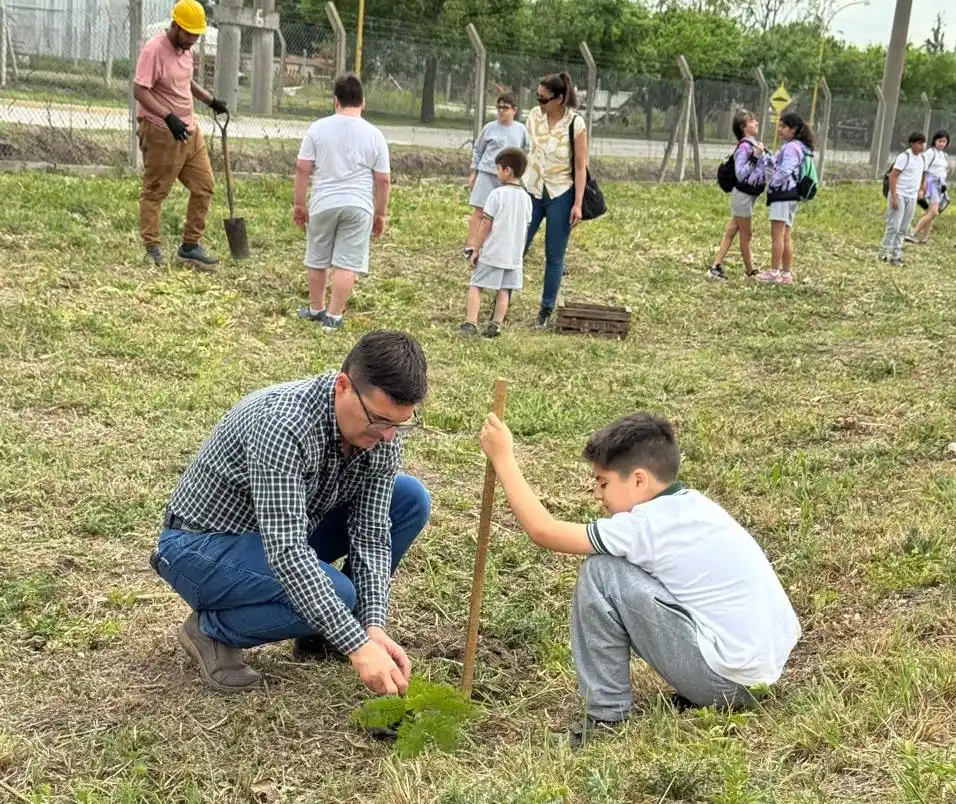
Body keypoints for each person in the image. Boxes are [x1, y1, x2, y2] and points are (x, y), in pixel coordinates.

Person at [479, 410, 801, 748]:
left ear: (638, 480)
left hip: (727, 682)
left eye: (603, 483)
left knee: (601, 571)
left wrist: (504, 458)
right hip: (760, 673)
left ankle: (605, 717)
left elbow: (543, 531)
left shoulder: (647, 525)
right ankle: (701, 685)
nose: (597, 495)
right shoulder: (693, 507)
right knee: (621, 569)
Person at [150, 330, 431, 696]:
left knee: (408, 498)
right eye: (379, 420)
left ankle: (320, 632)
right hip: (202, 546)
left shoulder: (380, 438)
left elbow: (371, 534)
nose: (389, 436)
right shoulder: (283, 423)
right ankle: (210, 631)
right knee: (339, 594)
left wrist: (372, 625)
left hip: (277, 534)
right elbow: (287, 552)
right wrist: (356, 645)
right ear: (343, 386)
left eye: (399, 424)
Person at [294, 74, 391, 332]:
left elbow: (303, 168)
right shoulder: (375, 135)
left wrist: (299, 204)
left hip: (323, 202)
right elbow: (383, 180)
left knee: (317, 257)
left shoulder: (317, 128)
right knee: (346, 262)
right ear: (363, 102)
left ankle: (316, 308)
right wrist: (380, 214)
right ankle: (334, 317)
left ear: (335, 101)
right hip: (358, 206)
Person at [134, 0, 226, 269]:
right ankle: (152, 248)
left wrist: (210, 100)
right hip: (162, 132)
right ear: (175, 26)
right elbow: (140, 90)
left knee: (204, 186)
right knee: (155, 191)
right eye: (189, 35)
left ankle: (190, 246)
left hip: (189, 132)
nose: (192, 41)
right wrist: (167, 116)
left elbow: (187, 82)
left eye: (197, 36)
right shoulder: (153, 50)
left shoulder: (185, 50)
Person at [523, 72, 588, 328]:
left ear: (559, 98)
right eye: (537, 97)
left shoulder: (576, 123)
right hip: (531, 189)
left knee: (554, 255)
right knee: (518, 246)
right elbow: (524, 150)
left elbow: (581, 165)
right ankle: (502, 299)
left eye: (544, 99)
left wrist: (578, 204)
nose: (539, 103)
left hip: (561, 192)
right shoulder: (533, 117)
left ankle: (546, 309)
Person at [459, 148, 533, 338]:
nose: (497, 173)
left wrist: (475, 247)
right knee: (504, 289)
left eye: (498, 169)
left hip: (493, 252)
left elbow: (485, 224)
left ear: (507, 171)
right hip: (514, 255)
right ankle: (496, 325)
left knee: (476, 285)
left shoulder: (497, 195)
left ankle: (470, 323)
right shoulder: (526, 198)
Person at [465, 92, 529, 260]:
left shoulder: (521, 130)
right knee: (480, 211)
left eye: (506, 108)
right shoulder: (489, 128)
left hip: (508, 178)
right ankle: (471, 246)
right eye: (499, 107)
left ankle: (494, 246)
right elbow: (478, 150)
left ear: (514, 110)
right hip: (487, 174)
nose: (501, 111)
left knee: (501, 213)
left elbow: (525, 152)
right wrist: (474, 172)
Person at [709, 110, 771, 280]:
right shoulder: (744, 148)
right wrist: (754, 157)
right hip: (742, 196)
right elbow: (741, 174)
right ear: (744, 128)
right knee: (746, 235)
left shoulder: (754, 145)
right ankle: (750, 271)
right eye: (752, 121)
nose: (756, 123)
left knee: (732, 231)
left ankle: (716, 267)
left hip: (748, 197)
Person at [757, 113, 814, 285]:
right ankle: (786, 273)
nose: (779, 130)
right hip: (792, 195)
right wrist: (766, 157)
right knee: (786, 236)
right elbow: (779, 164)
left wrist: (773, 184)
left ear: (793, 129)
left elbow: (785, 169)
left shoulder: (791, 148)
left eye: (783, 127)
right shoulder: (799, 147)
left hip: (782, 194)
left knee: (777, 235)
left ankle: (774, 272)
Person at [879, 131, 926, 266]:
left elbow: (922, 174)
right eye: (919, 143)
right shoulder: (904, 157)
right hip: (900, 194)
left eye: (923, 143)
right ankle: (883, 253)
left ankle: (896, 255)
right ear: (912, 144)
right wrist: (894, 197)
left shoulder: (921, 159)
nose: (921, 146)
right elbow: (892, 176)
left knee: (903, 228)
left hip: (911, 196)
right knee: (894, 225)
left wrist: (921, 189)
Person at [906, 129, 950, 245]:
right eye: (939, 141)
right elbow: (923, 169)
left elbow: (944, 170)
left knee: (930, 212)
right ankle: (913, 233)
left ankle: (924, 237)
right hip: (931, 183)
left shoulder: (944, 155)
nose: (941, 143)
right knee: (933, 212)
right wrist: (922, 187)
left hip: (940, 185)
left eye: (944, 141)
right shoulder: (930, 152)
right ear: (935, 141)